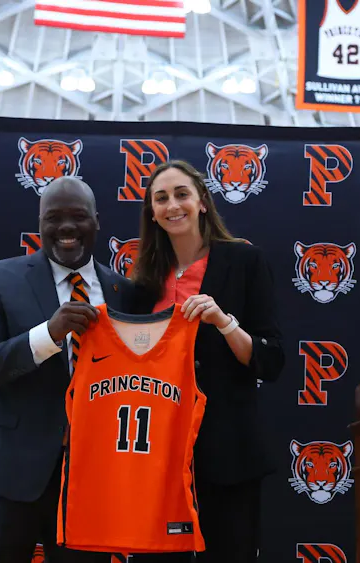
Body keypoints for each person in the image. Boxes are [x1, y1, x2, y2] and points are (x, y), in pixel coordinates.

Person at [0, 177, 138, 563]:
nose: (66, 228)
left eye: (78, 216)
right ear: (39, 223)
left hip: (92, 482)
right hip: (6, 475)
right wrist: (47, 335)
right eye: (54, 217)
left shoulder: (127, 292)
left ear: (96, 221)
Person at [130, 160, 286, 563]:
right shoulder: (142, 283)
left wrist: (224, 322)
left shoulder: (245, 262)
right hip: (157, 455)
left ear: (202, 202)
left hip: (228, 452)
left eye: (182, 194)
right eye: (160, 198)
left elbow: (270, 362)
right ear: (152, 212)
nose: (172, 205)